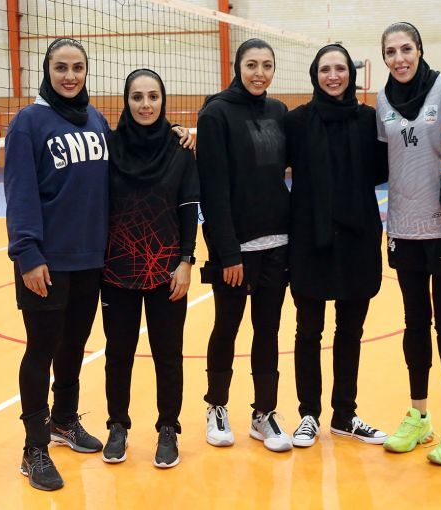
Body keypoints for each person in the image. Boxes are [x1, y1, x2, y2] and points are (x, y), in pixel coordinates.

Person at [5, 37, 108, 491]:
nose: (70, 76)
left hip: (90, 259)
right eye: (61, 67)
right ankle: (34, 448)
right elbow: (20, 193)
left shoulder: (97, 119)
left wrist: (175, 135)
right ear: (47, 71)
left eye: (77, 68)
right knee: (41, 349)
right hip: (45, 261)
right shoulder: (28, 123)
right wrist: (27, 254)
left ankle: (64, 419)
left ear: (86, 72)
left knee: (74, 345)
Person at [375, 22, 441, 466]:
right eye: (391, 52)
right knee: (414, 324)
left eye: (406, 49)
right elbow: (388, 158)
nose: (399, 59)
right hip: (403, 228)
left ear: (419, 50)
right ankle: (419, 416)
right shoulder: (382, 100)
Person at [285, 44, 388, 447]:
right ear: (315, 74)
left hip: (358, 240)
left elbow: (384, 168)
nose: (333, 76)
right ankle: (308, 414)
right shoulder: (296, 122)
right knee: (308, 331)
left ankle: (344, 415)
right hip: (310, 240)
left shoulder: (368, 120)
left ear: (351, 74)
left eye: (340, 69)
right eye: (325, 69)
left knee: (350, 331)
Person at [100, 69, 199, 469]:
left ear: (163, 100)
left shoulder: (180, 148)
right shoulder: (109, 146)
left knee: (168, 354)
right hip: (117, 269)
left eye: (153, 96)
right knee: (118, 354)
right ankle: (117, 426)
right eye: (137, 97)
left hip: (167, 269)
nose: (145, 104)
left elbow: (188, 207)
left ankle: (168, 428)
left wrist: (186, 261)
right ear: (126, 101)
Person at [196, 38, 292, 452]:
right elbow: (213, 190)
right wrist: (228, 252)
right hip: (236, 249)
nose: (259, 73)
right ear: (238, 67)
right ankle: (216, 406)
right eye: (251, 65)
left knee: (268, 330)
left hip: (278, 242)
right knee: (227, 327)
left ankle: (263, 413)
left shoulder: (279, 112)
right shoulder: (216, 113)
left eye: (267, 65)